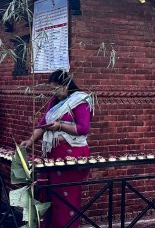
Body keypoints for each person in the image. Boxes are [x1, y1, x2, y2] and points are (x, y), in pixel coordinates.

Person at [21, 70, 94, 228]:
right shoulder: (55, 101)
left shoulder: (80, 100)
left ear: (66, 85)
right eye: (51, 88)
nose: (53, 91)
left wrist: (60, 126)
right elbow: (43, 124)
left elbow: (83, 128)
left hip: (70, 155)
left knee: (66, 195)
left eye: (56, 88)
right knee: (49, 194)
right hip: (52, 154)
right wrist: (31, 140)